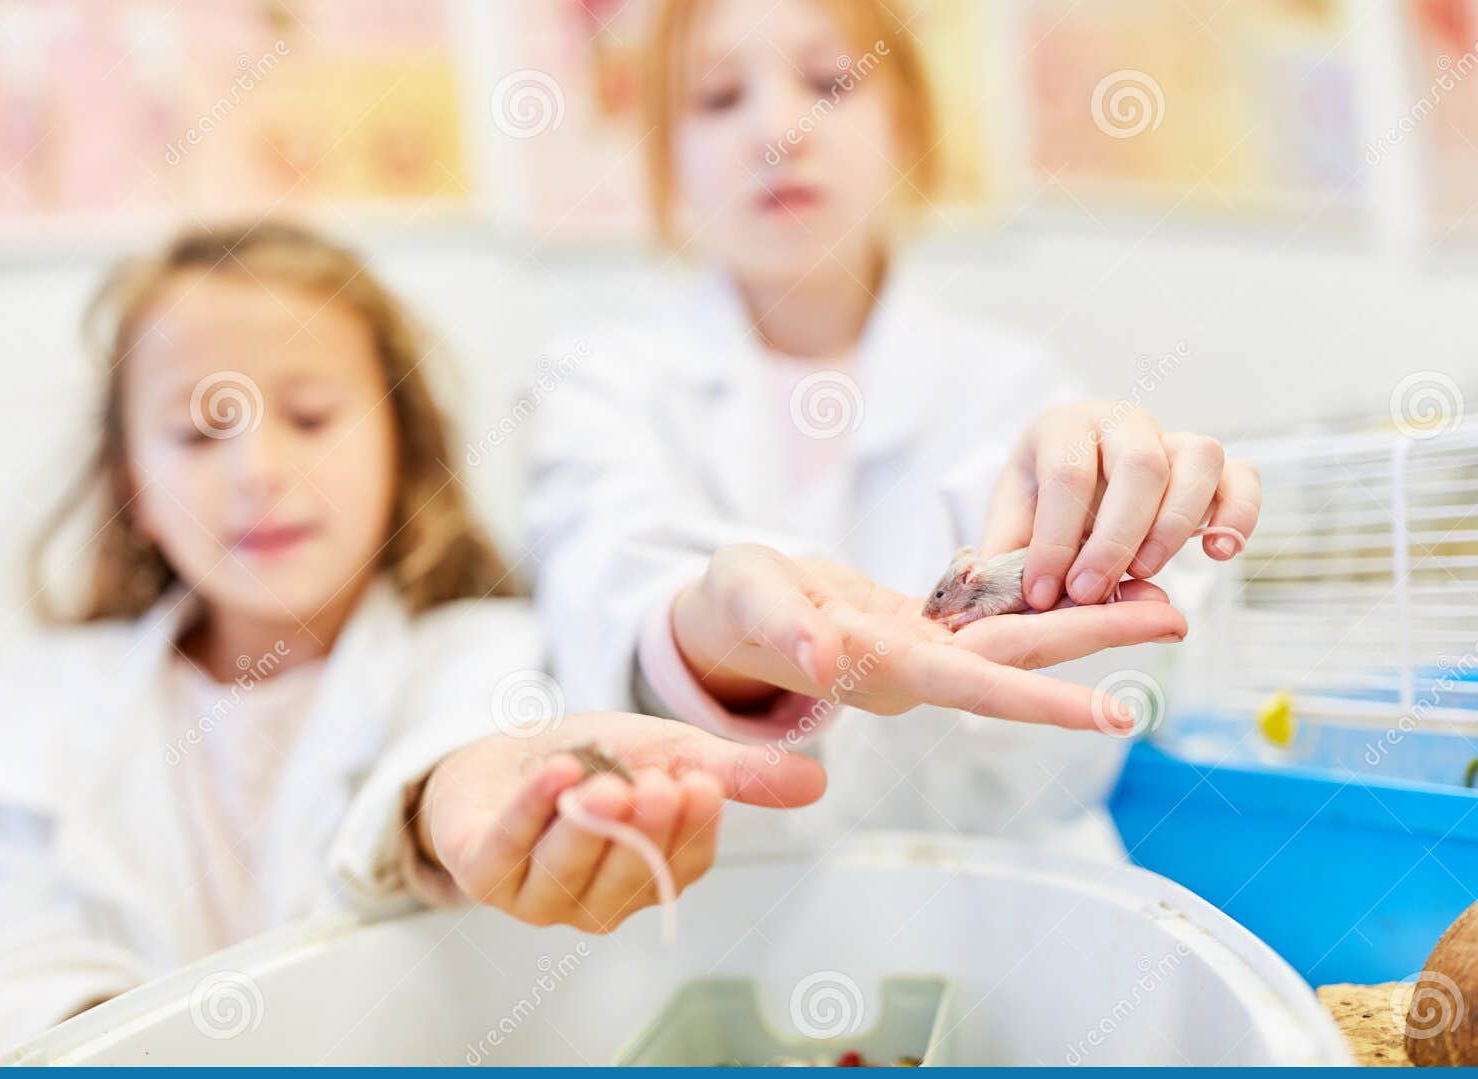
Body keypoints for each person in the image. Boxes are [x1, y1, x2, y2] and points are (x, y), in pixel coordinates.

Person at [0, 222, 824, 1065]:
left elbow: (455, 760)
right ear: (135, 482)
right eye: (198, 430)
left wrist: (435, 805)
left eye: (311, 417)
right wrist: (147, 1064)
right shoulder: (52, 697)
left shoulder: (481, 654)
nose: (259, 471)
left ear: (400, 446)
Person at [525, 0, 1259, 858]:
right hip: (708, 901)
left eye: (831, 82)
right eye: (719, 97)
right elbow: (604, 598)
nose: (777, 131)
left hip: (1004, 895)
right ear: (665, 159)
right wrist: (707, 636)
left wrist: (1123, 512)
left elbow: (1082, 733)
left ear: (907, 119)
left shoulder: (1017, 388)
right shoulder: (601, 384)